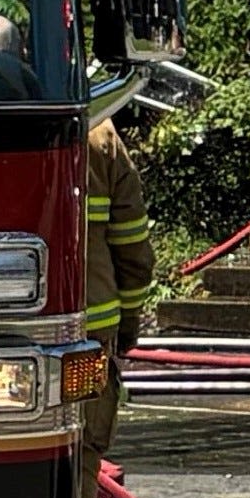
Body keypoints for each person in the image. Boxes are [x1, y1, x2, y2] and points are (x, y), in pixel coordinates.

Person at [76, 96, 163, 463]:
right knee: (80, 457)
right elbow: (133, 255)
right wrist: (128, 327)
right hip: (85, 343)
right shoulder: (98, 135)